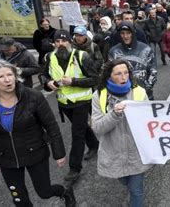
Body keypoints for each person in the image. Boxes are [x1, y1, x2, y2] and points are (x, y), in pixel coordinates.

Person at [0, 60, 76, 206]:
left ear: (15, 76)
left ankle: (65, 192)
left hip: (35, 152)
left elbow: (51, 126)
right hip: (6, 158)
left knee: (44, 192)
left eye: (9, 75)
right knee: (20, 200)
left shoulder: (33, 96)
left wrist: (59, 153)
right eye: (0, 77)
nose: (7, 80)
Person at [40, 29, 100, 182]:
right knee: (81, 128)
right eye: (58, 41)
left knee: (77, 134)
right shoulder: (50, 56)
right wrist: (48, 83)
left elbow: (94, 79)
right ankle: (94, 144)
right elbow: (43, 75)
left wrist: (73, 81)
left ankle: (75, 168)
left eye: (64, 41)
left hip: (82, 102)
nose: (61, 44)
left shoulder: (82, 56)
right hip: (64, 103)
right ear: (54, 43)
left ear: (70, 41)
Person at [91, 59, 153, 207]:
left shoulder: (139, 92)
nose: (123, 77)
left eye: (126, 73)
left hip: (136, 152)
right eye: (118, 74)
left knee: (136, 190)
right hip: (113, 152)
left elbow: (150, 122)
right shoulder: (99, 96)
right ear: (109, 76)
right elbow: (98, 127)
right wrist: (114, 114)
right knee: (124, 180)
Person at [108, 21, 157, 100]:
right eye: (122, 33)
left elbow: (153, 71)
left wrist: (146, 88)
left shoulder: (146, 49)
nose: (125, 36)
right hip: (121, 95)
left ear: (133, 33)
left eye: (128, 33)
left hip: (143, 94)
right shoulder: (113, 51)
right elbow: (109, 73)